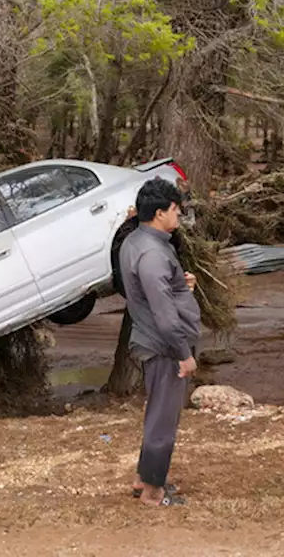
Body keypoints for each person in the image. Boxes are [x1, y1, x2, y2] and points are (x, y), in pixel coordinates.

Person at [118, 177, 200, 507]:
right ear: (160, 212)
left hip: (154, 340)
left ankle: (145, 478)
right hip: (164, 346)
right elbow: (164, 313)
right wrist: (184, 354)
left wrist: (181, 283)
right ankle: (153, 493)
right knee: (164, 420)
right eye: (175, 208)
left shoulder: (138, 242)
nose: (178, 214)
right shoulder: (152, 253)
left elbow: (154, 289)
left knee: (157, 414)